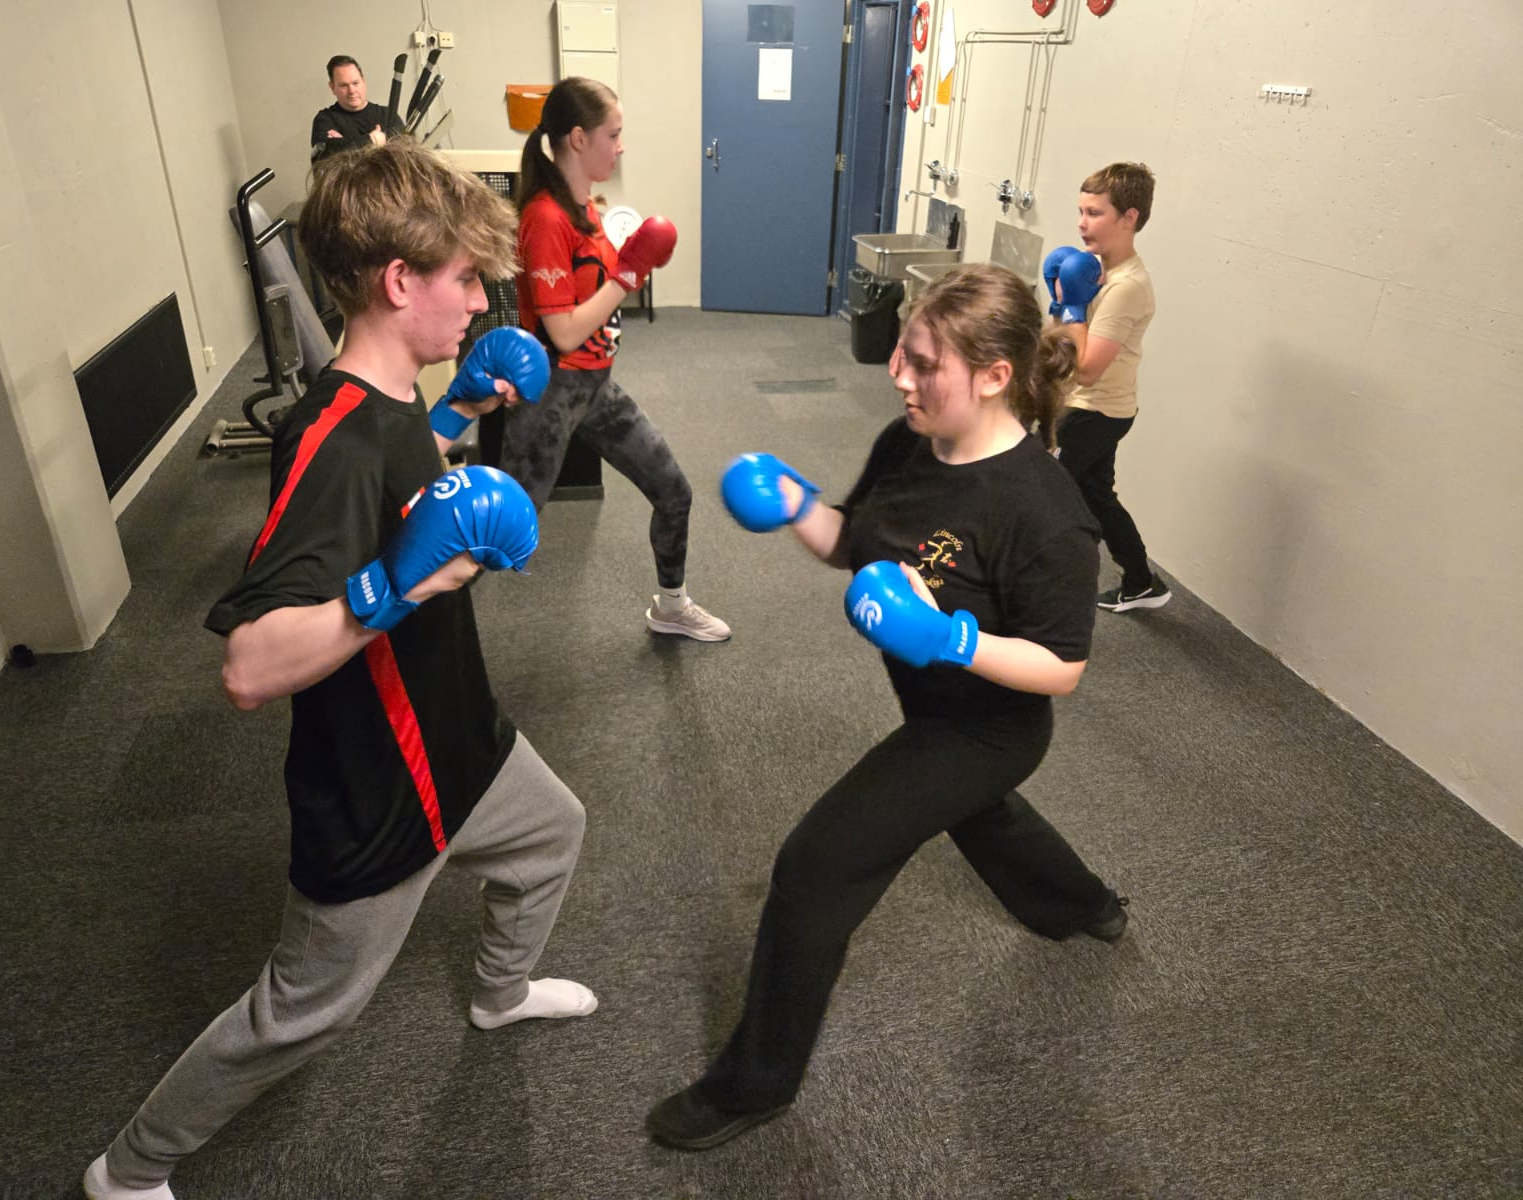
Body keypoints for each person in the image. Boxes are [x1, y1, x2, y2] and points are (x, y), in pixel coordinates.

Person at [82, 140, 596, 1200]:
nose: (481, 302)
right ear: (400, 281)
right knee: (303, 1013)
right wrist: (393, 588)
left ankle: (498, 994)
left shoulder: (393, 398)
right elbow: (247, 668)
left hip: (461, 738)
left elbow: (401, 489)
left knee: (554, 833)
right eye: (466, 279)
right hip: (381, 786)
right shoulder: (330, 442)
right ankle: (128, 1171)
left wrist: (456, 416)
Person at [646, 264, 1128, 1151]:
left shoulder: (1045, 512)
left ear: (995, 375)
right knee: (979, 816)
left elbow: (1063, 666)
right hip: (931, 703)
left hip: (986, 728)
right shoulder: (911, 443)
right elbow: (854, 546)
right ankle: (1082, 903)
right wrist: (797, 505)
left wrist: (950, 639)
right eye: (902, 355)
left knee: (817, 866)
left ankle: (754, 1084)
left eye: (924, 364)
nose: (899, 377)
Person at [503, 76, 730, 642]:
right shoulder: (546, 218)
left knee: (674, 492)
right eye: (614, 134)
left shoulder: (586, 208)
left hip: (595, 386)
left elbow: (596, 292)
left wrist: (626, 260)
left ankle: (671, 606)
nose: (621, 145)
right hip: (550, 391)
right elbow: (563, 332)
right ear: (579, 139)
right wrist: (629, 274)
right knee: (500, 534)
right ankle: (411, 632)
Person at [1043, 161, 1169, 612]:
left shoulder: (1126, 286)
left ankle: (1041, 592)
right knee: (1097, 496)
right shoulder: (1092, 271)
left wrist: (1073, 308)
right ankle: (1141, 583)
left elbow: (1087, 369)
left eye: (1095, 213)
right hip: (1096, 405)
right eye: (1081, 211)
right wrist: (1059, 302)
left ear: (1129, 217)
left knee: (1038, 491)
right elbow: (1060, 346)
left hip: (1093, 410)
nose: (1082, 223)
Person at [310, 54, 405, 161]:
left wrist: (346, 147)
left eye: (355, 83)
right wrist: (372, 141)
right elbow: (323, 157)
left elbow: (406, 155)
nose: (351, 91)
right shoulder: (325, 119)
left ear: (363, 81)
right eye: (343, 85)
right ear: (332, 87)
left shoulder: (387, 115)